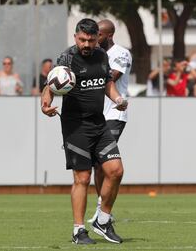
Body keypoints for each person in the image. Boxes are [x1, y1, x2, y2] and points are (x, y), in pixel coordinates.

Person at [41, 18, 127, 245]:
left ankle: (103, 220)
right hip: (75, 126)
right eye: (82, 40)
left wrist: (117, 98)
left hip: (99, 123)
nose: (87, 44)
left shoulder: (102, 56)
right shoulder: (67, 58)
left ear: (98, 37)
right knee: (83, 178)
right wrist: (45, 104)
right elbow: (50, 85)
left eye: (91, 39)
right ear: (75, 37)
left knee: (116, 170)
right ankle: (79, 231)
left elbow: (107, 83)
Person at [87, 19, 132, 225]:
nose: (95, 40)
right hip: (98, 114)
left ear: (109, 35)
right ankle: (101, 207)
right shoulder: (95, 54)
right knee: (97, 163)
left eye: (99, 36)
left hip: (114, 114)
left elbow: (111, 77)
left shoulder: (120, 53)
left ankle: (103, 210)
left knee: (107, 163)